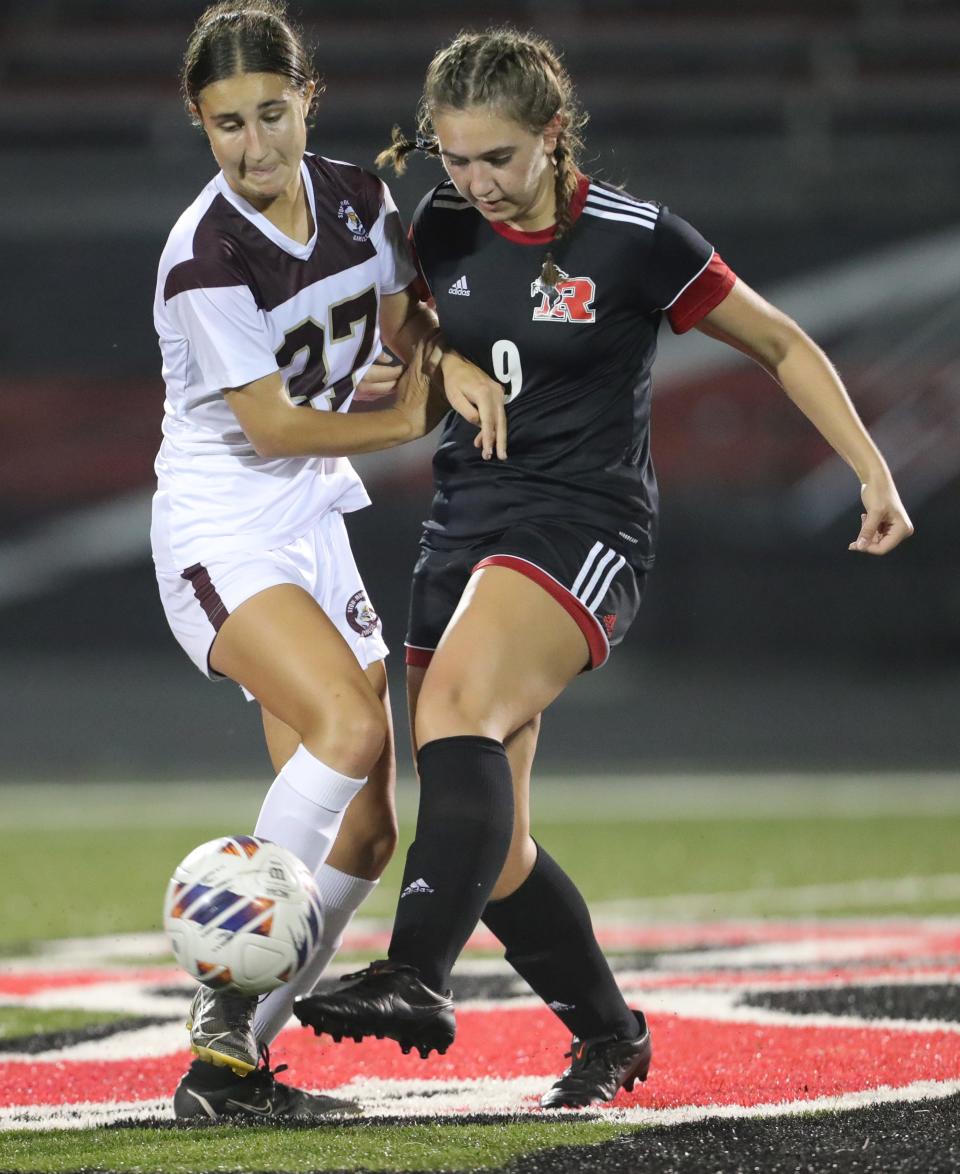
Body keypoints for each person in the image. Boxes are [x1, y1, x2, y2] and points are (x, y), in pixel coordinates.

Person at [293, 26, 915, 1110]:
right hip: (463, 525)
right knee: (494, 845)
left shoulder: (636, 239)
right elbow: (406, 334)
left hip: (585, 527)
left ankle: (414, 976)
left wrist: (872, 467)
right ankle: (612, 1035)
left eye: (500, 158)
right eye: (455, 160)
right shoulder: (439, 221)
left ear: (554, 134)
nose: (477, 184)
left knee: (456, 718)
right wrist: (438, 357)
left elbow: (778, 341)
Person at [150, 1, 485, 1122]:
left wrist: (448, 357)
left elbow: (405, 330)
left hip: (308, 523)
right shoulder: (205, 254)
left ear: (310, 100)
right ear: (199, 125)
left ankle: (232, 1068)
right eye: (227, 124)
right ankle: (218, 1010)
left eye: (272, 114)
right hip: (221, 528)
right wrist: (407, 422)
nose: (254, 146)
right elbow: (278, 425)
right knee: (346, 725)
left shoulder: (360, 198)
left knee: (372, 829)